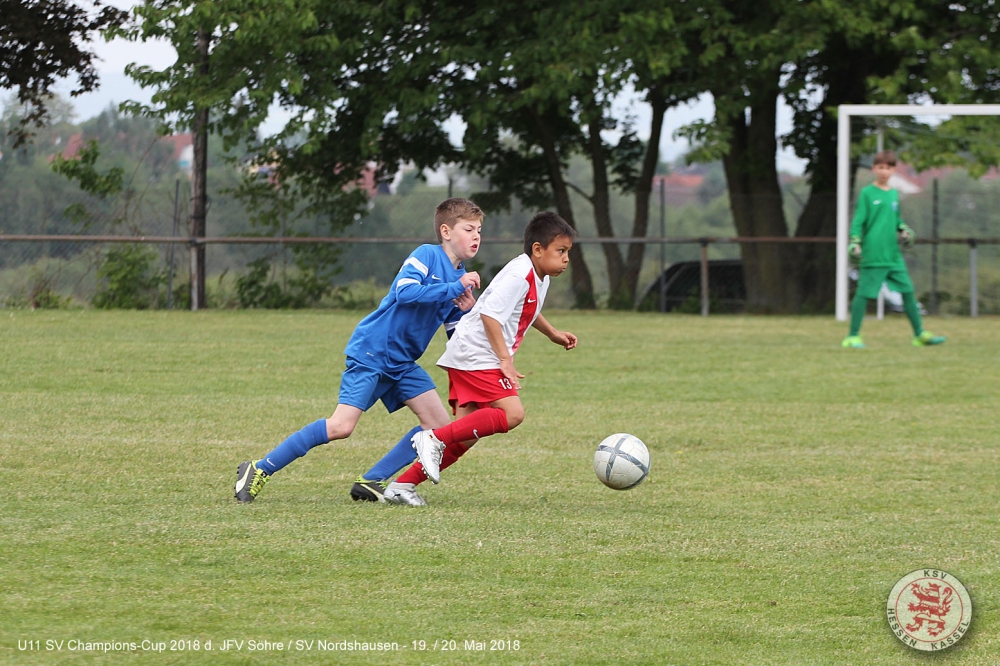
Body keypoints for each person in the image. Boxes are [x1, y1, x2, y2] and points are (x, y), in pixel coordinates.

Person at [233, 198, 484, 502]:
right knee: (341, 426)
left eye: (479, 231)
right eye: (469, 229)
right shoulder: (426, 256)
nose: (476, 236)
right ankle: (259, 469)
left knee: (439, 426)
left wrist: (469, 314)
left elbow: (455, 334)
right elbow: (404, 292)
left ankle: (371, 481)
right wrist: (454, 287)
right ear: (446, 231)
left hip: (403, 363)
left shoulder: (463, 279)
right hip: (373, 352)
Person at [382, 211, 578, 506]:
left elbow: (529, 308)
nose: (565, 259)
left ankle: (402, 485)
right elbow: (489, 315)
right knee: (513, 414)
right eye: (560, 251)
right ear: (538, 250)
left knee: (465, 438)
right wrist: (505, 360)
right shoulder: (518, 275)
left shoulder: (539, 276)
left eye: (567, 252)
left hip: (472, 353)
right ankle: (433, 438)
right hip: (477, 353)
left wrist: (552, 333)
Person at [842, 150, 945, 349]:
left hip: (893, 255)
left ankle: (920, 335)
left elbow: (895, 219)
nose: (884, 171)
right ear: (874, 168)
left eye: (888, 168)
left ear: (893, 170)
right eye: (880, 167)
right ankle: (852, 336)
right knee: (864, 294)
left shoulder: (893, 193)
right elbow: (859, 220)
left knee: (907, 291)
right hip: (873, 254)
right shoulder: (867, 193)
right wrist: (855, 241)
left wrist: (904, 230)